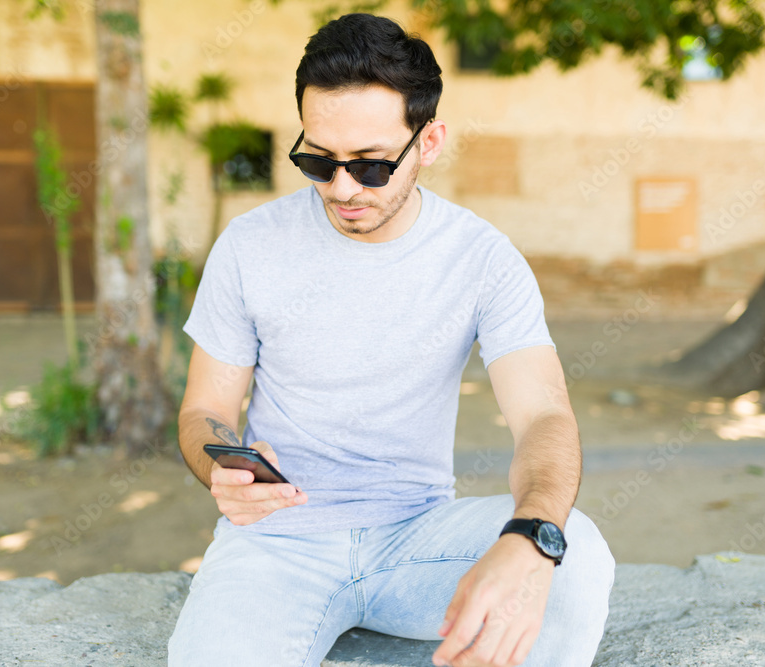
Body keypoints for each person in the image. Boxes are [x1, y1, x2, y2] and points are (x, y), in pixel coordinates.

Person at [168, 12, 614, 667]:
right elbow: (202, 409)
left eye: (371, 166)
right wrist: (220, 463)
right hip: (274, 540)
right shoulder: (249, 244)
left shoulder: (483, 258)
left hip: (418, 538)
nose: (341, 188)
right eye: (317, 160)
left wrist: (530, 531)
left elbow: (544, 414)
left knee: (574, 551)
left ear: (428, 143)